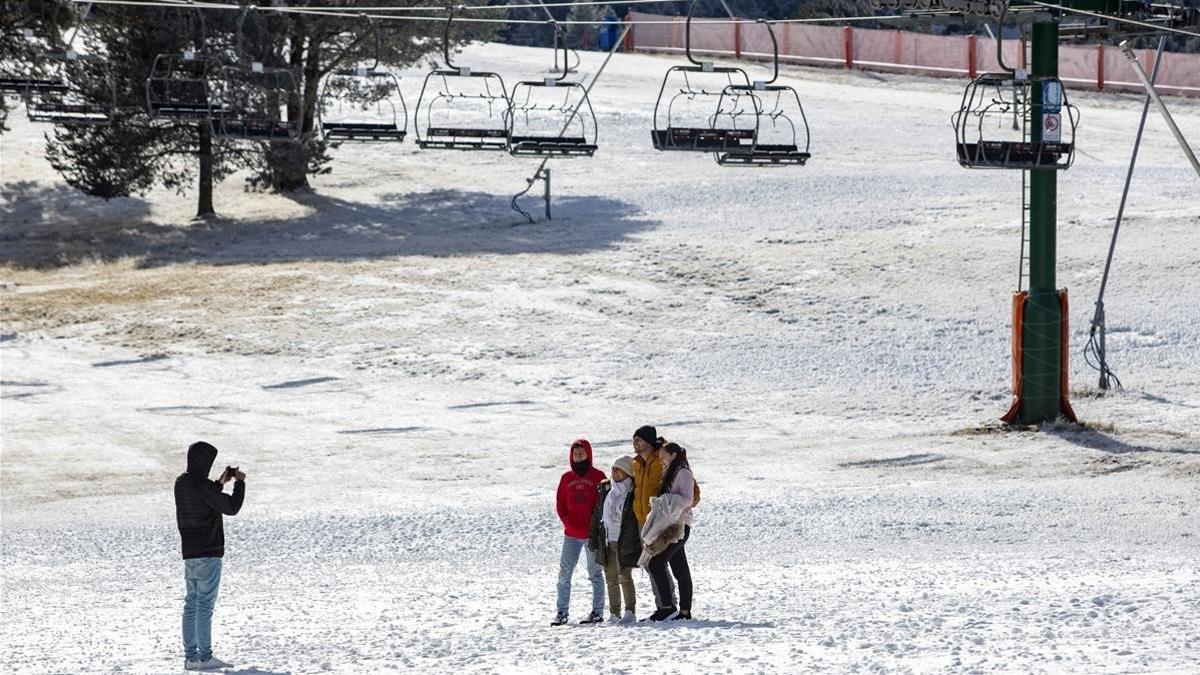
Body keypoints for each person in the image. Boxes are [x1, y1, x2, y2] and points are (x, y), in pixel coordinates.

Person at [174, 441, 246, 671]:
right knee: (204, 605)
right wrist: (240, 483)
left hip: (190, 553)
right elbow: (231, 507)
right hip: (208, 552)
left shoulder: (182, 482)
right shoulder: (201, 484)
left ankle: (191, 657)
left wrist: (220, 482)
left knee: (192, 604)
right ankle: (205, 658)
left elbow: (205, 494)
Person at [553, 438, 607, 626]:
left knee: (595, 574)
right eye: (575, 454)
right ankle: (562, 612)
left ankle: (598, 612)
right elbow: (560, 503)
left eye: (581, 453)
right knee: (565, 574)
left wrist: (597, 526)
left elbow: (605, 503)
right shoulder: (566, 478)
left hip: (592, 536)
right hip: (571, 535)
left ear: (588, 454)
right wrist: (567, 521)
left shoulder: (598, 475)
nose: (578, 456)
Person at [644, 442, 695, 621]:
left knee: (656, 563)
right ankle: (683, 612)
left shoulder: (683, 473)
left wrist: (666, 500)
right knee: (680, 569)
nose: (661, 460)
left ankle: (668, 607)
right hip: (670, 525)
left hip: (679, 526)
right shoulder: (671, 473)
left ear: (673, 455)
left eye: (663, 456)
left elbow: (689, 499)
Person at [588, 455, 640, 623]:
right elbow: (597, 515)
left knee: (624, 577)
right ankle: (614, 613)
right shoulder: (605, 489)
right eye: (613, 469)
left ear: (628, 471)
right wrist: (594, 539)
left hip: (624, 540)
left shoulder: (633, 491)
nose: (615, 472)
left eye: (619, 469)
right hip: (607, 539)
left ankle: (630, 612)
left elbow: (633, 519)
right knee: (611, 579)